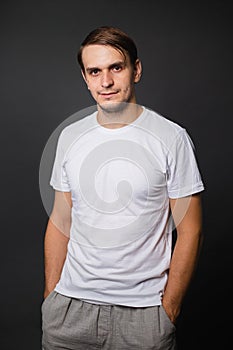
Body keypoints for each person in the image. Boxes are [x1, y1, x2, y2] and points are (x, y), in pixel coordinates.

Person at [41, 26, 205, 350]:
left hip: (144, 315)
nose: (106, 82)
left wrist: (168, 310)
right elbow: (61, 220)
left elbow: (191, 231)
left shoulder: (172, 138)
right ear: (85, 79)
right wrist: (51, 295)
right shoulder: (70, 137)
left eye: (116, 67)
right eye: (95, 71)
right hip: (70, 310)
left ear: (136, 70)